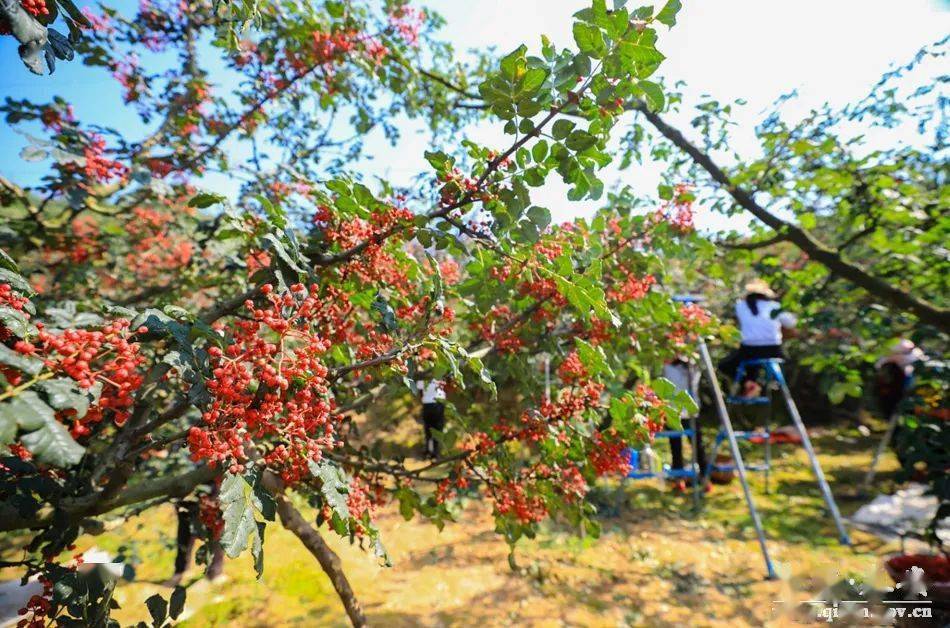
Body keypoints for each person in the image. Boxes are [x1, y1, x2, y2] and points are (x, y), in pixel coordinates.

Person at [719, 278, 797, 397]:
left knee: (725, 365)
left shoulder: (740, 306)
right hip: (773, 350)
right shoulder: (774, 306)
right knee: (765, 360)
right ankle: (757, 384)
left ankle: (749, 383)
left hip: (749, 350)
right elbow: (791, 323)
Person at [662, 357, 708, 492]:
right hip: (673, 411)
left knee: (697, 445)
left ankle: (705, 478)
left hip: (690, 412)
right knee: (676, 445)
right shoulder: (668, 366)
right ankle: (679, 480)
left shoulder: (692, 366)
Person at [416, 379, 446, 459]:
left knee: (428, 429)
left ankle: (429, 450)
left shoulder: (422, 376)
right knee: (437, 429)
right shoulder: (441, 374)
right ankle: (434, 452)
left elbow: (420, 391)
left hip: (427, 405)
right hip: (438, 404)